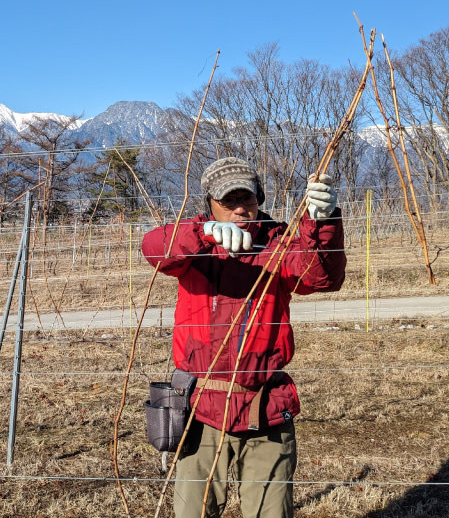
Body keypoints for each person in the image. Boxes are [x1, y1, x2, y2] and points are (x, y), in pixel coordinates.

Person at [141, 157, 346, 518]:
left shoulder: (280, 244)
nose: (239, 209)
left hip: (264, 408)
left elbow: (321, 278)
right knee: (193, 513)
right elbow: (153, 247)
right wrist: (203, 234)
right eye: (228, 202)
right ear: (209, 204)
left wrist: (323, 222)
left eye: (246, 200)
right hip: (200, 410)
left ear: (259, 199)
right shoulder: (193, 243)